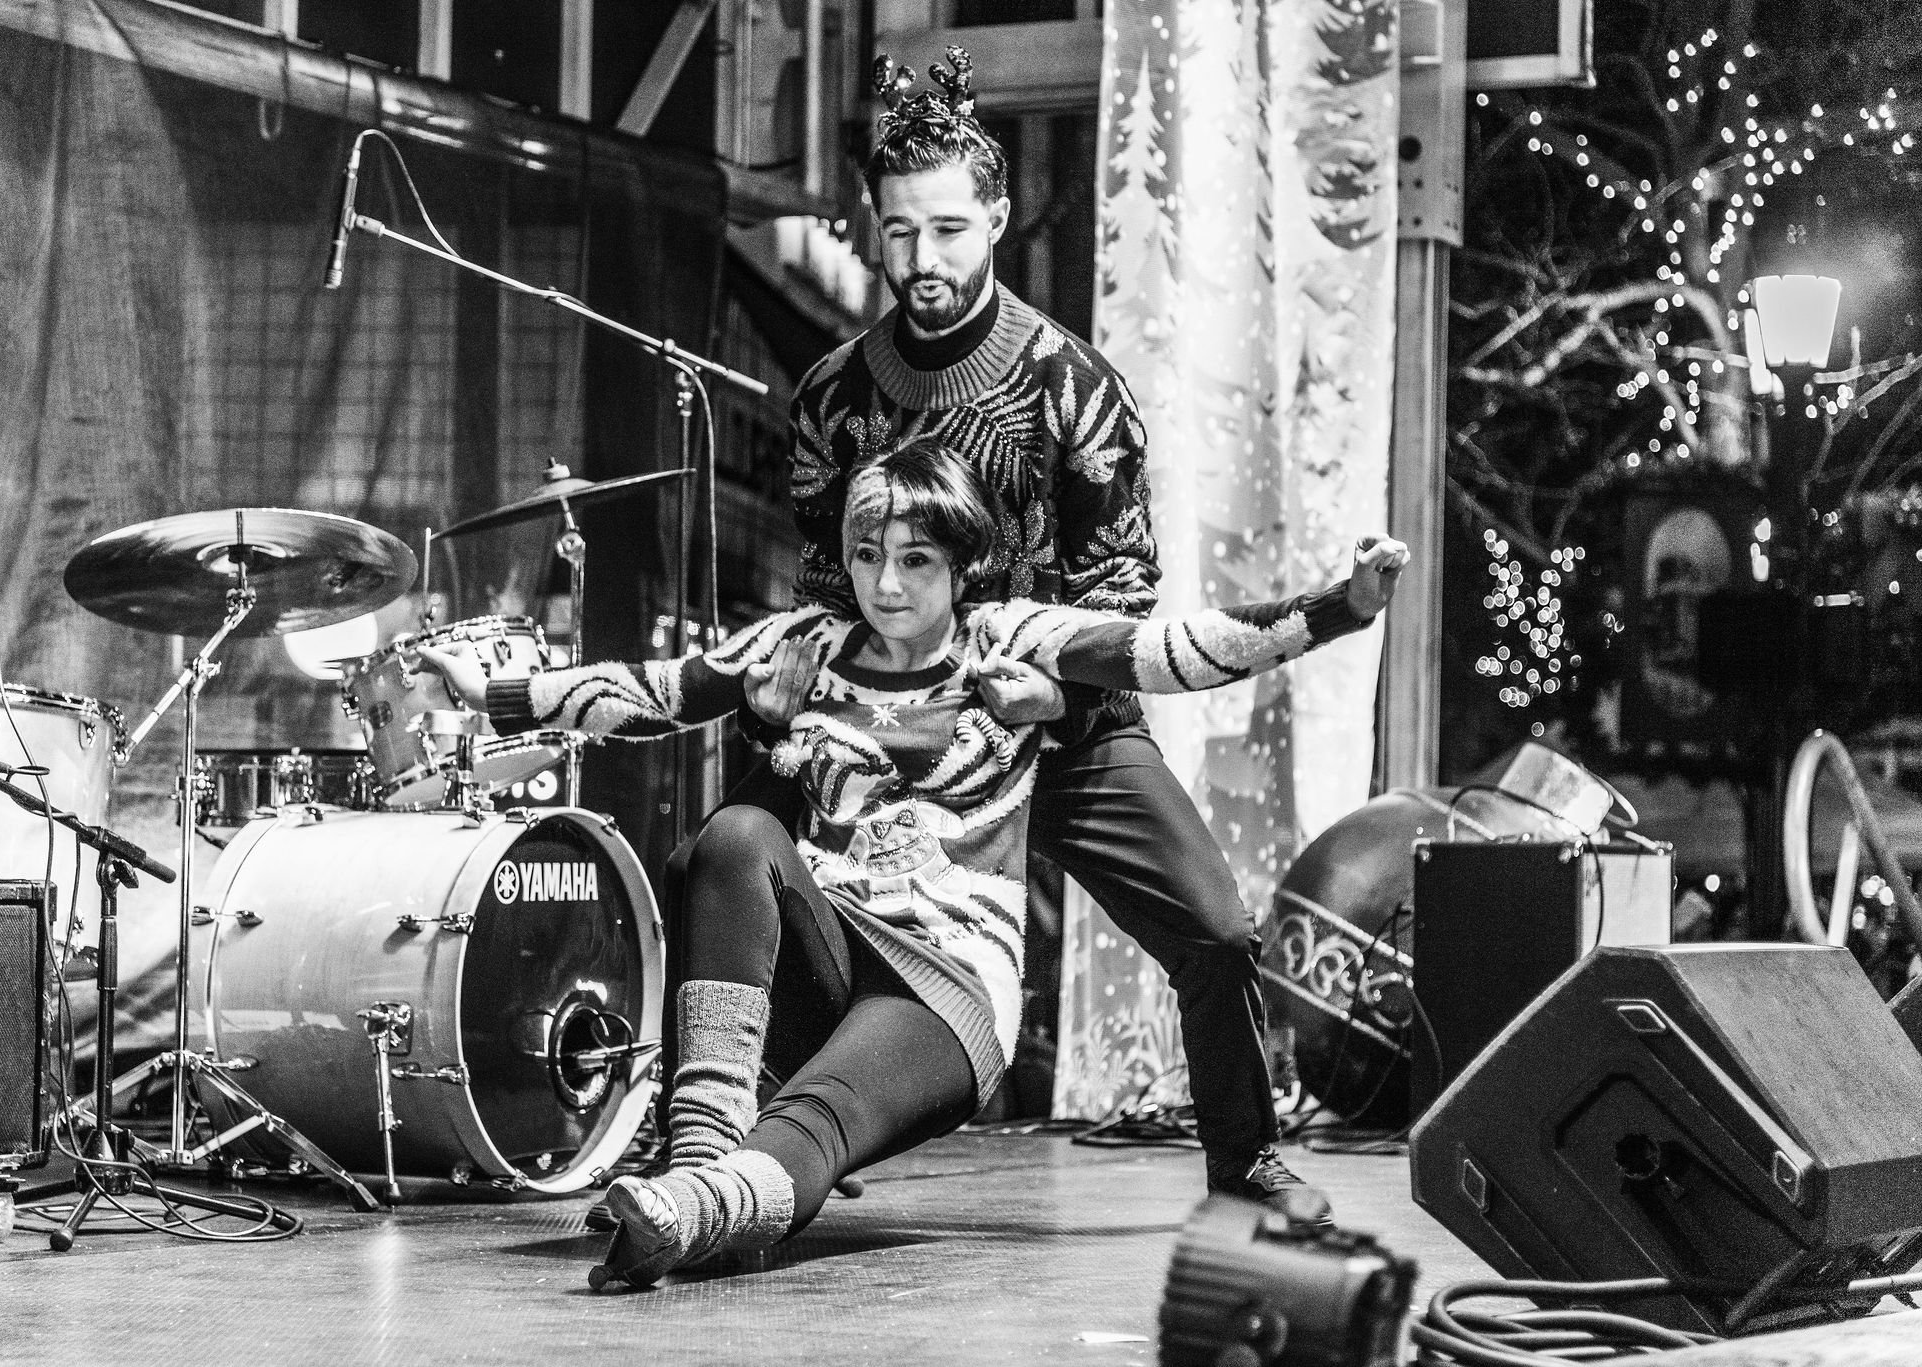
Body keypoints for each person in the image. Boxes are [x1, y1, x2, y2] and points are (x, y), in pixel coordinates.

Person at [422, 436, 1408, 1289]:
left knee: (817, 1114)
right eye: (865, 555)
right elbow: (655, 689)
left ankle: (703, 1207)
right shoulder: (804, 641)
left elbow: (1172, 648)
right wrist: (501, 693)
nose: (886, 584)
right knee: (731, 840)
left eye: (914, 559)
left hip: (943, 985)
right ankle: (693, 1171)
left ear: (958, 562)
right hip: (838, 947)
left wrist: (1338, 605)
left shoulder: (1010, 637)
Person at [748, 46, 1353, 1222]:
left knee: (1216, 930)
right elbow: (828, 576)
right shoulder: (831, 394)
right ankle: (748, 1123)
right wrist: (796, 687)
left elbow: (1121, 590)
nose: (922, 260)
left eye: (948, 231)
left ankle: (1245, 1154)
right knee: (736, 847)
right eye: (899, 232)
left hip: (1054, 722)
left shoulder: (1072, 387)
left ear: (997, 217)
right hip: (889, 725)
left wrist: (1055, 703)